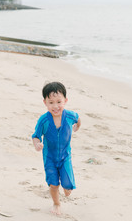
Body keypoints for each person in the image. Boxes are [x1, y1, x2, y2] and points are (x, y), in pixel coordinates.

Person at [32, 81, 81, 215]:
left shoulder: (70, 116)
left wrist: (77, 127)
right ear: (45, 103)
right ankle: (56, 204)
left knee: (67, 186)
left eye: (59, 102)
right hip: (50, 158)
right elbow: (36, 136)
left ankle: (66, 186)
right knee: (53, 184)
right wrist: (37, 144)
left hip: (65, 157)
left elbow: (78, 119)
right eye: (51, 102)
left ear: (65, 101)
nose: (55, 106)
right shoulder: (44, 120)